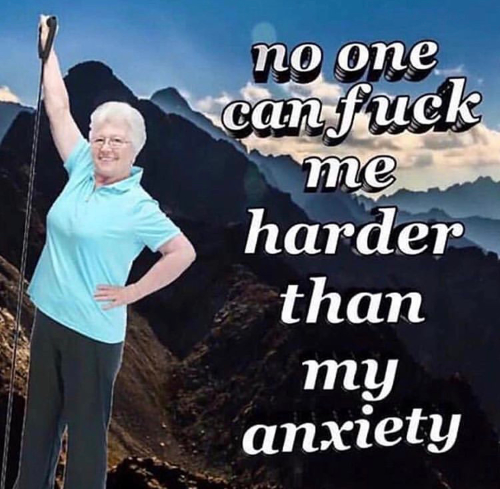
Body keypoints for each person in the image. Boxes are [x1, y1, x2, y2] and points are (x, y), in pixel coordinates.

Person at [13, 15, 196, 489]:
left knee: (86, 445)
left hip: (93, 336)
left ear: (134, 150)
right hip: (50, 318)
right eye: (99, 138)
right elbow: (58, 108)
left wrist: (132, 291)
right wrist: (48, 51)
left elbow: (182, 252)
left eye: (117, 141)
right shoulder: (80, 167)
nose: (106, 147)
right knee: (38, 432)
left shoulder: (140, 207)